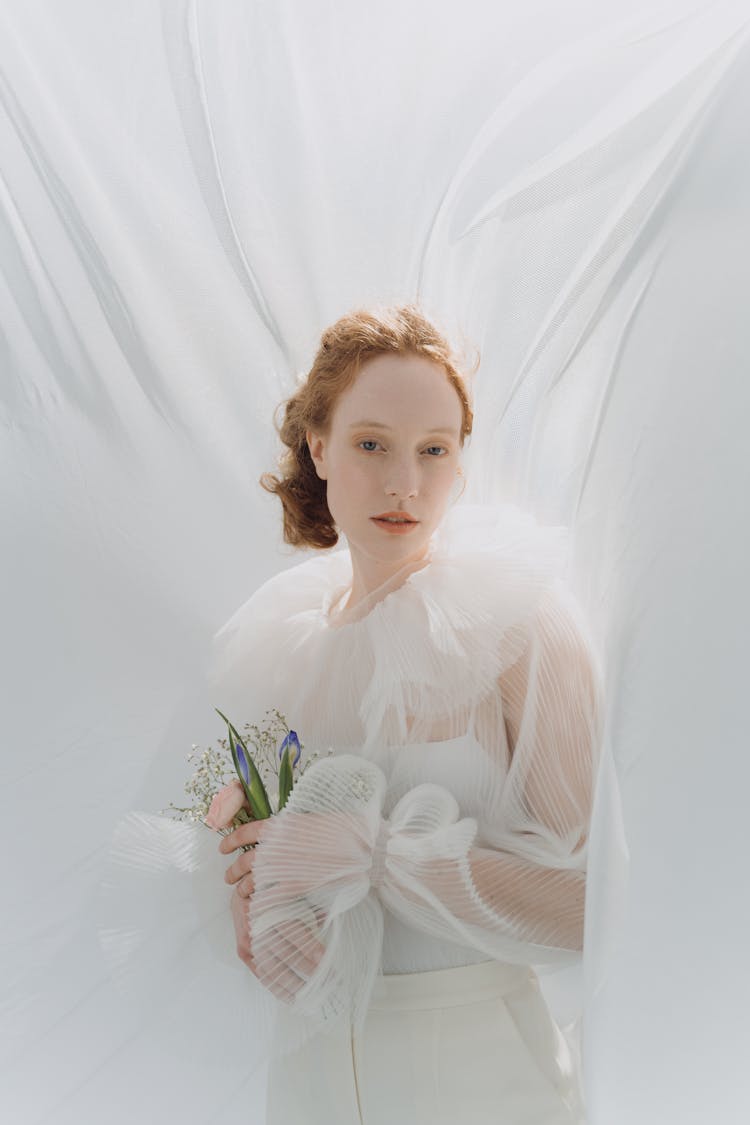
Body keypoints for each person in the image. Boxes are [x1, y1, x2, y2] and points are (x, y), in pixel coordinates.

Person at [205, 304, 605, 1124]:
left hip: (478, 1073)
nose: (404, 484)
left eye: (434, 450)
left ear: (460, 460)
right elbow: (283, 886)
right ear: (318, 445)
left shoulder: (518, 622)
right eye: (371, 443)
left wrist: (376, 854)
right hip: (313, 1071)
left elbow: (598, 908)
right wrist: (262, 891)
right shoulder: (281, 649)